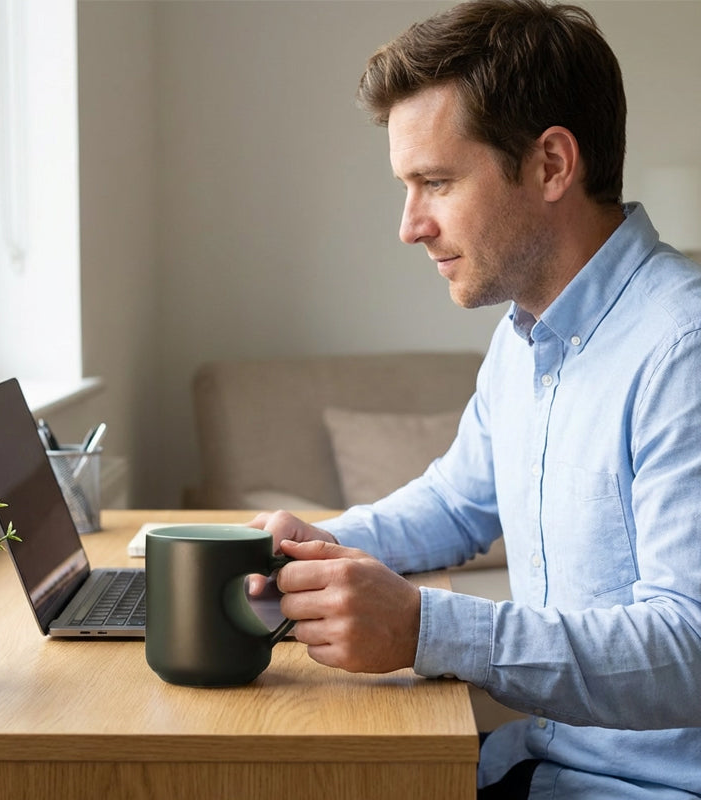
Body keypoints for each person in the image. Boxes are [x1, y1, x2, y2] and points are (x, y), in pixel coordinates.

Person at [247, 1, 701, 797]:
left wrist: (425, 628)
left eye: (437, 182)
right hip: (538, 761)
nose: (410, 226)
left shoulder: (682, 351)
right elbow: (457, 502)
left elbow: (688, 648)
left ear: (551, 165)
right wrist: (318, 547)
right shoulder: (524, 336)